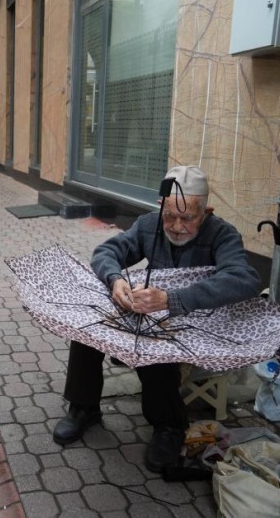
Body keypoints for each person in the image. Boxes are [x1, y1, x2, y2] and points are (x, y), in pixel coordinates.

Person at [52, 166, 261, 473]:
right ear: (161, 208)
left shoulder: (222, 234)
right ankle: (84, 408)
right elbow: (107, 251)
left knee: (157, 350)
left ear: (206, 211)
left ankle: (169, 427)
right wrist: (115, 280)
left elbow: (244, 279)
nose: (176, 226)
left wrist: (173, 299)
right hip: (152, 314)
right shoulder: (149, 224)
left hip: (194, 323)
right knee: (89, 327)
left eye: (187, 218)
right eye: (169, 216)